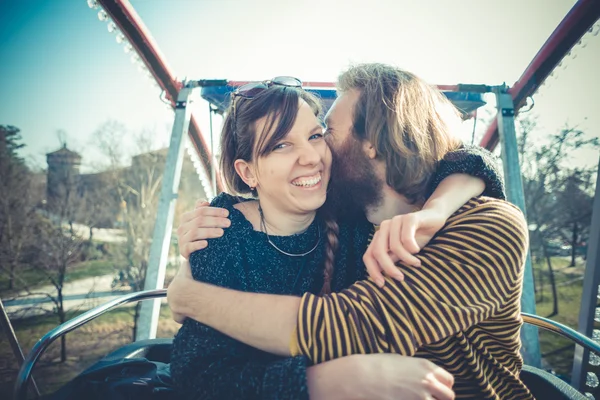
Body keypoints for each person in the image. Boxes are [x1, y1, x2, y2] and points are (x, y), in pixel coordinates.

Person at [169, 64, 532, 400]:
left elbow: (350, 326)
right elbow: (198, 373)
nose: (314, 154)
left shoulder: (486, 225)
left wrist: (192, 298)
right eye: (282, 144)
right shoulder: (348, 217)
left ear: (372, 140)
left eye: (321, 133)